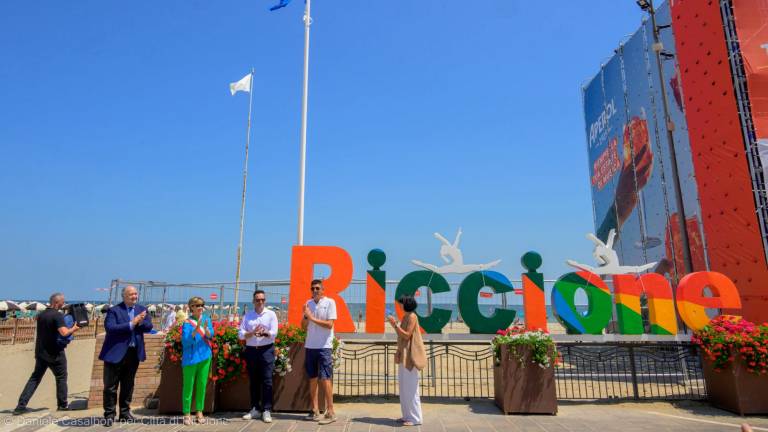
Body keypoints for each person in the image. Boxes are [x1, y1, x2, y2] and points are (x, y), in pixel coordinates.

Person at [14, 293, 80, 414]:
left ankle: (20, 406)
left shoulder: (41, 315)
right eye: (62, 302)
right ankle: (62, 405)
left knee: (35, 378)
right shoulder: (57, 315)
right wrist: (74, 329)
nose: (63, 304)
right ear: (56, 302)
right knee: (61, 377)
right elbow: (64, 333)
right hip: (55, 353)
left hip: (40, 352)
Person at [99, 285, 153, 426]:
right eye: (131, 294)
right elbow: (110, 328)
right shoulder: (114, 311)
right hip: (115, 353)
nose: (134, 296)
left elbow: (149, 326)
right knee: (110, 386)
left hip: (133, 353)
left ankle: (124, 413)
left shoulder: (142, 310)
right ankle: (109, 415)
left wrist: (140, 322)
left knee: (128, 384)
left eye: (136, 294)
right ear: (124, 296)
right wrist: (131, 323)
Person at [238, 290, 278, 423]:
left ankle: (266, 410)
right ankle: (255, 408)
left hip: (267, 350)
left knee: (267, 381)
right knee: (254, 381)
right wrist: (252, 332)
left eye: (262, 299)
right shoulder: (248, 315)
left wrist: (266, 332)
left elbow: (274, 333)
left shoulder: (271, 314)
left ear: (265, 301)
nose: (260, 302)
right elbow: (240, 334)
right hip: (251, 351)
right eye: (257, 300)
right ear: (253, 301)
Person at [302, 279, 337, 424]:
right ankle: (314, 409)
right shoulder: (308, 304)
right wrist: (305, 317)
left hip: (324, 346)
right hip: (310, 346)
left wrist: (312, 318)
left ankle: (330, 411)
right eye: (312, 288)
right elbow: (303, 326)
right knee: (312, 378)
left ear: (323, 290)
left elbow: (330, 325)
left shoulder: (330, 302)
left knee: (325, 378)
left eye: (317, 288)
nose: (315, 291)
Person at [387, 295, 425, 426]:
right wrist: (395, 325)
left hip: (410, 356)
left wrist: (394, 324)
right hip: (404, 355)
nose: (400, 305)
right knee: (404, 388)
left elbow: (407, 335)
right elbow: (401, 334)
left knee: (411, 388)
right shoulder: (406, 316)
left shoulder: (412, 317)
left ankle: (415, 418)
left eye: (402, 303)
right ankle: (407, 416)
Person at [180, 297, 213, 425]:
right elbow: (185, 341)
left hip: (205, 356)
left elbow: (210, 335)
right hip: (190, 358)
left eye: (202, 305)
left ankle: (199, 411)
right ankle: (187, 413)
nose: (200, 307)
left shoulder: (206, 319)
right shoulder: (187, 323)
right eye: (197, 305)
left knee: (201, 385)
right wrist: (196, 329)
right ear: (191, 307)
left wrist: (207, 330)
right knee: (188, 386)